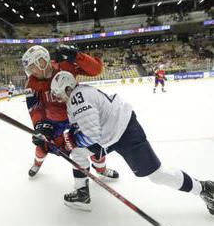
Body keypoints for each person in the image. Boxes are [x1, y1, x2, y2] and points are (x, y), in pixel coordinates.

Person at [50, 70, 214, 213]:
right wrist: (63, 139)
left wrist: (70, 141)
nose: (58, 99)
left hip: (125, 132)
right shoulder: (81, 94)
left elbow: (91, 134)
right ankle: (82, 193)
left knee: (157, 175)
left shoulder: (77, 98)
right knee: (78, 153)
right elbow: (85, 127)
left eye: (58, 94)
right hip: (109, 134)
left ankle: (204, 188)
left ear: (67, 88)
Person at [22, 44, 119, 179]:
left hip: (78, 115)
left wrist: (77, 56)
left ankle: (101, 169)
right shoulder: (31, 83)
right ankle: (37, 163)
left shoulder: (65, 66)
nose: (31, 71)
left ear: (42, 61)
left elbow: (96, 70)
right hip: (54, 122)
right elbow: (34, 108)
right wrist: (39, 125)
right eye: (29, 68)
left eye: (32, 66)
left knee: (94, 145)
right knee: (42, 145)